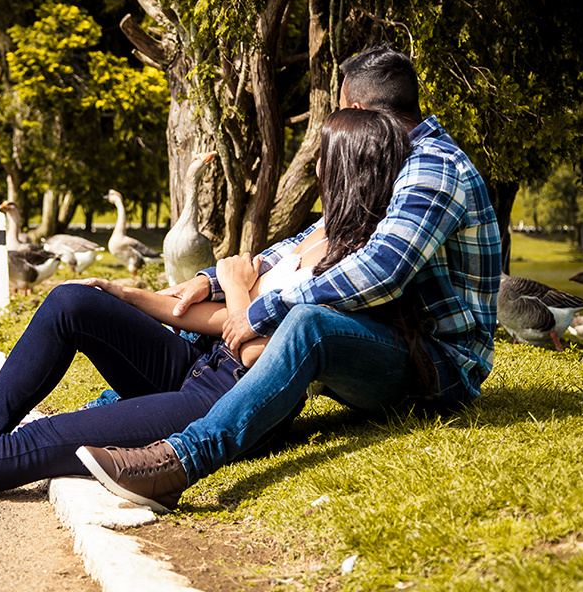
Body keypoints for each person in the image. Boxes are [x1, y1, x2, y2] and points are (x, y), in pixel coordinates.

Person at [0, 107, 413, 496]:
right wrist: (132, 295)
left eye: (326, 160)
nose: (318, 172)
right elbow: (224, 322)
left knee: (39, 445)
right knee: (73, 300)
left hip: (219, 400)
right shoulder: (321, 237)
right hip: (197, 366)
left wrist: (242, 287)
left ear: (349, 170)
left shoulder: (361, 270)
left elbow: (263, 353)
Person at [76, 45, 502, 513]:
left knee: (305, 323)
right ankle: (118, 411)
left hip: (442, 366)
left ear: (355, 111)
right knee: (273, 307)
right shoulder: (392, 157)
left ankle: (178, 462)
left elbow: (382, 271)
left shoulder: (432, 167)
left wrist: (261, 308)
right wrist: (216, 281)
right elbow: (309, 241)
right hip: (395, 339)